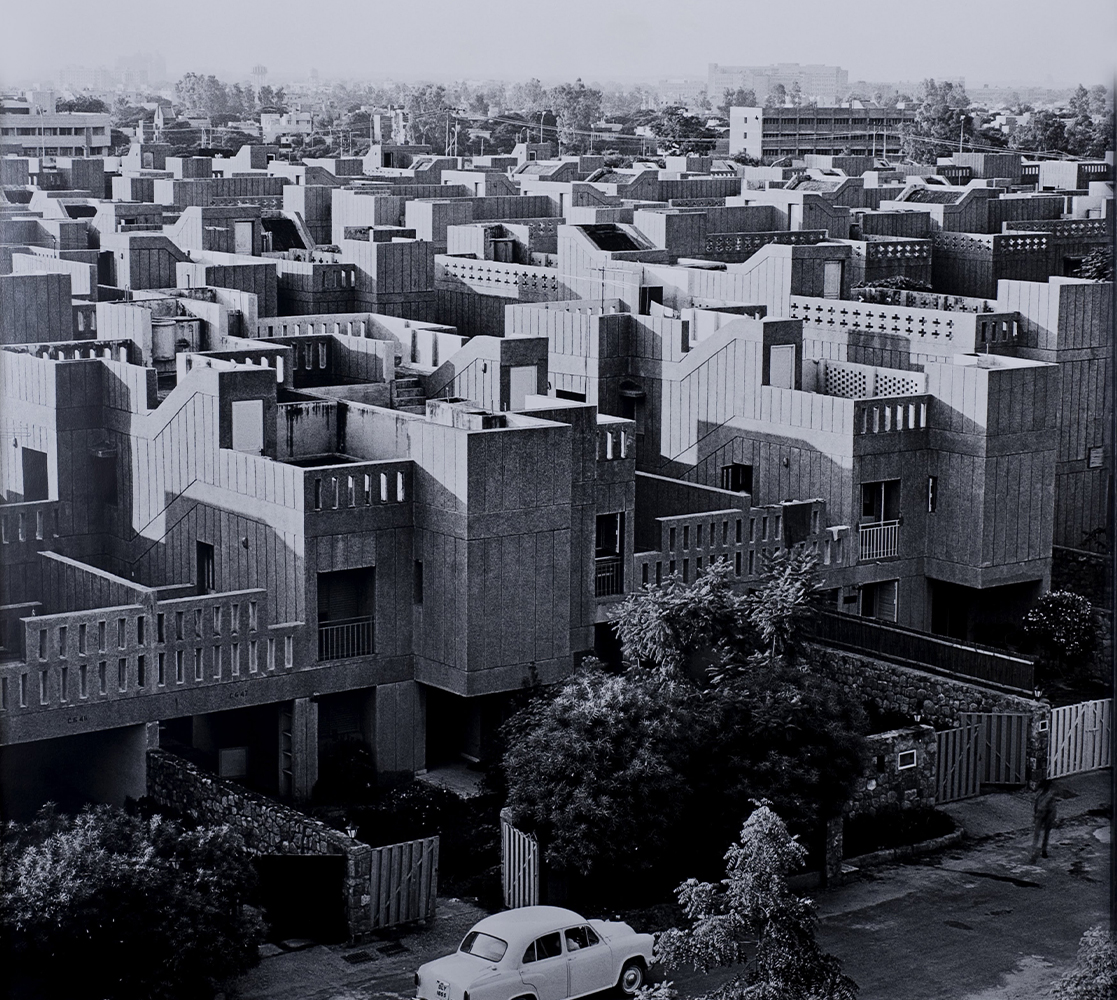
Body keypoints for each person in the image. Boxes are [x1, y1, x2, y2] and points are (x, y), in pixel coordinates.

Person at [1030, 778, 1058, 862]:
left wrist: (1052, 818)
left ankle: (1043, 850)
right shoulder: (1039, 794)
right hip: (1040, 815)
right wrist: (1035, 815)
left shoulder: (1050, 795)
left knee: (1045, 834)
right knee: (1037, 834)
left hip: (1047, 816)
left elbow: (1052, 808)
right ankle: (1035, 851)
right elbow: (1036, 805)